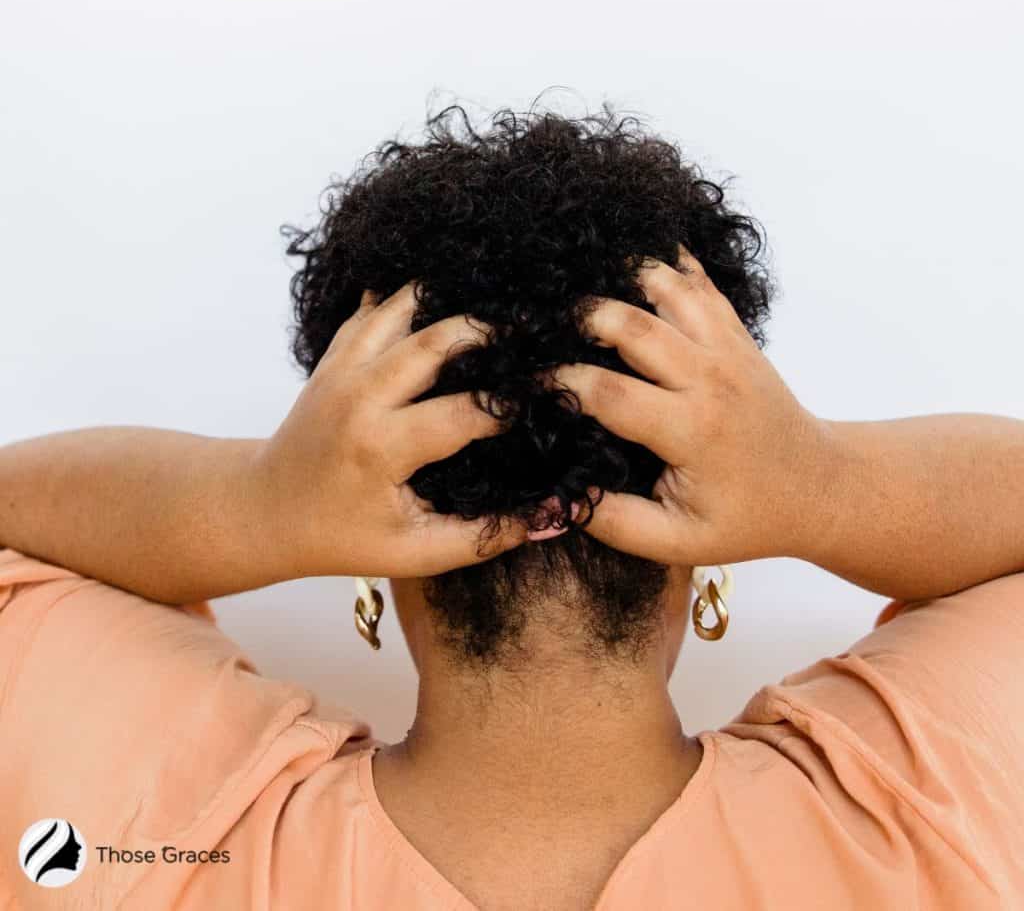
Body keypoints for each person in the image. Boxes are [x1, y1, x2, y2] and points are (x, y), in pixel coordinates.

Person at [1, 104, 1022, 910]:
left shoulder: (147, 836)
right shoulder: (937, 807)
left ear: (374, 558)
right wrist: (826, 488)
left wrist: (254, 503)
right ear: (709, 554)